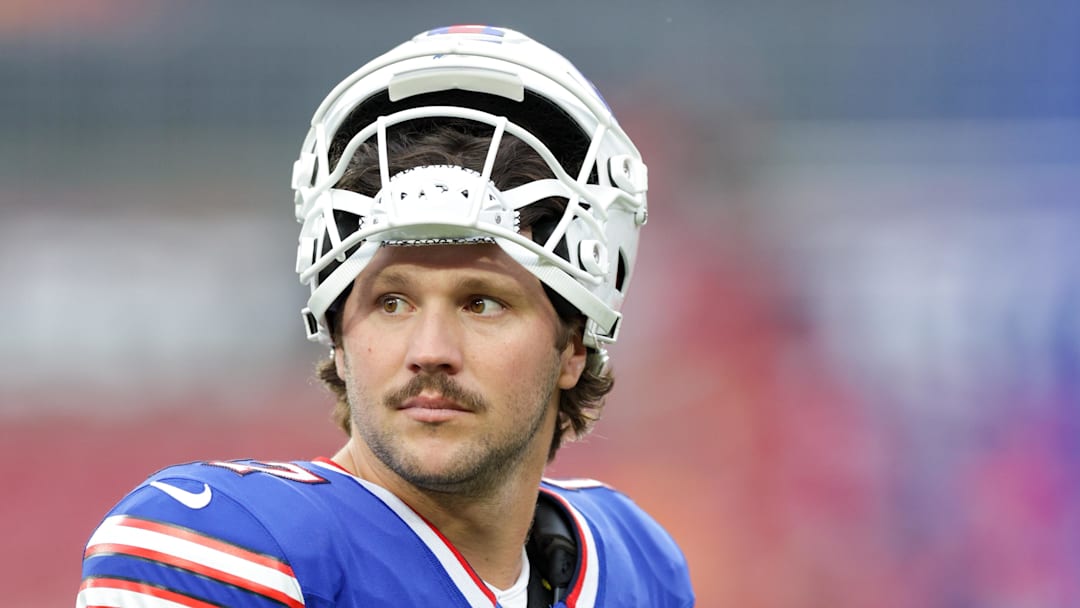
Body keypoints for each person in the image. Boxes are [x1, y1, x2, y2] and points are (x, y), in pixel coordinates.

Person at [77, 25, 694, 608]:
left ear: (573, 346)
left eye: (482, 303)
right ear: (340, 339)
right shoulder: (233, 550)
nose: (430, 349)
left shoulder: (635, 567)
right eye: (391, 302)